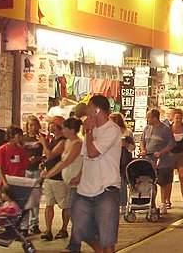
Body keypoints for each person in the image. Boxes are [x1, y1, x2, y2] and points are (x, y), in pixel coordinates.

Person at [70, 95, 122, 253]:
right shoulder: (89, 132)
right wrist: (80, 175)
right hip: (86, 188)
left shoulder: (112, 130)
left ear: (97, 110)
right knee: (80, 229)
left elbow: (93, 153)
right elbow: (86, 156)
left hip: (106, 188)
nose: (86, 110)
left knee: (107, 238)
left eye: (89, 107)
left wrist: (89, 130)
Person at [42, 117, 83, 242]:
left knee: (74, 213)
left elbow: (65, 162)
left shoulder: (78, 144)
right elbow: (61, 161)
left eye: (64, 128)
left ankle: (75, 242)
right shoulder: (68, 142)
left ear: (71, 130)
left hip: (76, 184)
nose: (62, 130)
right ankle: (74, 243)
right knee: (71, 212)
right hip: (69, 183)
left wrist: (49, 173)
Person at [39, 116, 69, 241]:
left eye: (51, 124)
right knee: (49, 204)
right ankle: (48, 229)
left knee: (64, 205)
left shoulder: (62, 141)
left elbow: (51, 154)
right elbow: (49, 157)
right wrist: (45, 163)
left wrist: (43, 143)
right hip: (50, 176)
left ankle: (64, 228)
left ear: (56, 127)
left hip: (59, 178)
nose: (49, 126)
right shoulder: (53, 140)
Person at [140, 109, 176, 215]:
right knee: (150, 182)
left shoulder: (165, 129)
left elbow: (171, 144)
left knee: (162, 182)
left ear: (155, 117)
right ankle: (151, 203)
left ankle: (163, 203)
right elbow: (142, 141)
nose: (147, 119)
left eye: (149, 117)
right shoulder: (147, 128)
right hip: (149, 160)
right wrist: (143, 150)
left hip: (162, 161)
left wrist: (161, 152)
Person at [23, 115, 46, 234]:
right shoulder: (23, 138)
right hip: (26, 170)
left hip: (36, 170)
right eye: (30, 125)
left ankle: (35, 223)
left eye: (34, 125)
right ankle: (24, 225)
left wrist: (37, 159)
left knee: (36, 198)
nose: (32, 127)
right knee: (26, 199)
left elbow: (46, 155)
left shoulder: (41, 138)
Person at [166, 110, 183, 211]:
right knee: (169, 178)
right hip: (170, 154)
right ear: (173, 118)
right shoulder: (168, 129)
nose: (178, 120)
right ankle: (167, 200)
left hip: (181, 154)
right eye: (176, 118)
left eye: (180, 119)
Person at [109, 113, 135, 214]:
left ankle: (123, 204)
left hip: (124, 161)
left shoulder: (127, 132)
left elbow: (132, 147)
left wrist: (125, 144)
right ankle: (113, 204)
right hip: (112, 160)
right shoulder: (109, 133)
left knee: (123, 183)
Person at [0, 126, 28, 192]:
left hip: (17, 182)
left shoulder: (21, 151)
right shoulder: (2, 150)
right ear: (11, 135)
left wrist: (22, 181)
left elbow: (23, 168)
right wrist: (4, 182)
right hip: (7, 181)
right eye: (18, 136)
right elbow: (0, 168)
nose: (20, 138)